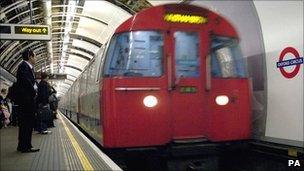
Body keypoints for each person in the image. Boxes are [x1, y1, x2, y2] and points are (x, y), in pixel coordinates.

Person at [15, 49, 39, 153]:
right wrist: (34, 91)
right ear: (30, 56)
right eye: (35, 56)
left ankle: (22, 146)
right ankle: (26, 146)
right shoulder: (24, 67)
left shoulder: (27, 68)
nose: (36, 58)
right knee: (27, 124)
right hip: (26, 101)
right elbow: (27, 82)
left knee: (25, 124)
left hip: (27, 101)